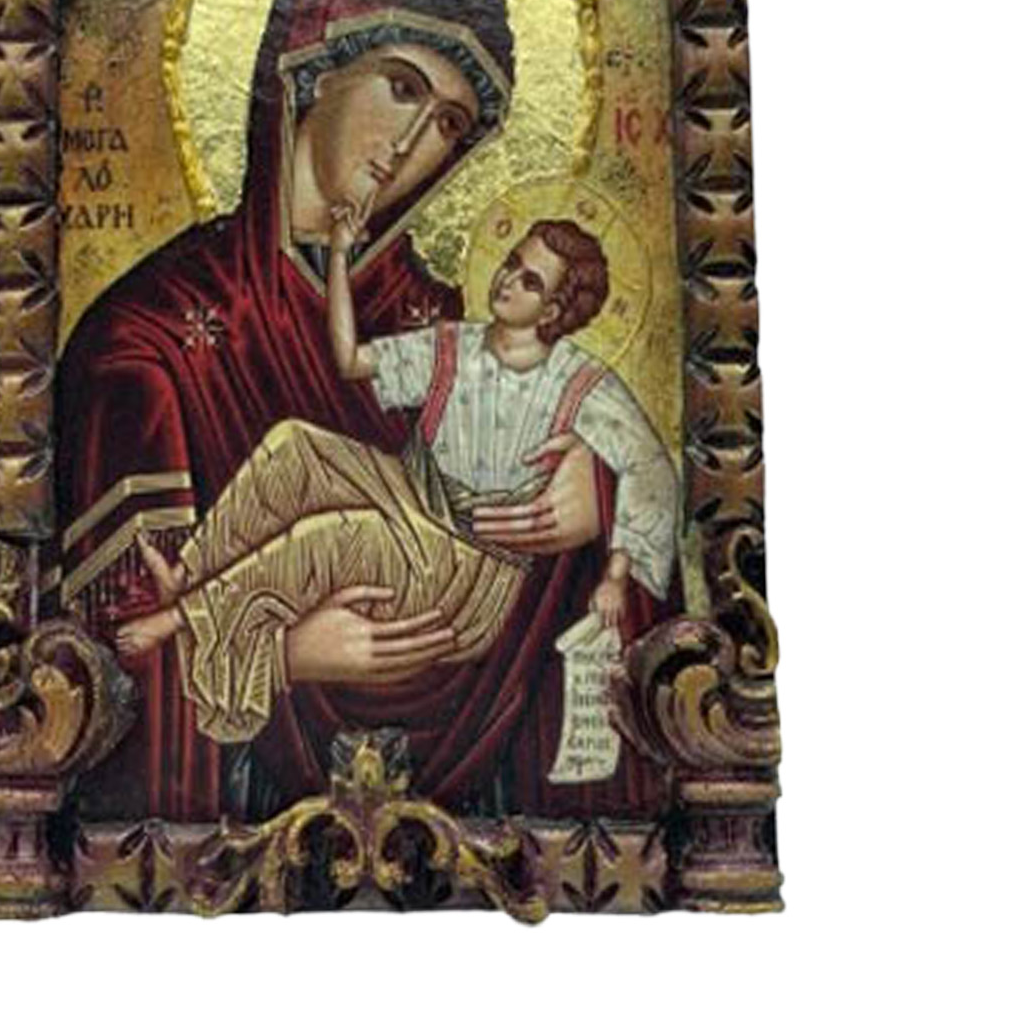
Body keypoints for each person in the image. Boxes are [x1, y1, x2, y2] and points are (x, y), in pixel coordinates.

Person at [55, 0, 666, 823]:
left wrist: (597, 496)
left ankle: (205, 607)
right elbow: (91, 669)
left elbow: (570, 560)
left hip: (465, 712)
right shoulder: (148, 337)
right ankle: (204, 603)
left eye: (449, 122)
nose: (414, 139)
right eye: (401, 86)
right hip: (234, 818)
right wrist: (283, 654)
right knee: (297, 452)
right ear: (310, 74)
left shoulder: (447, 321)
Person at [113, 217, 677, 751]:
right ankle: (189, 577)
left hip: (468, 570)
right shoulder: (454, 345)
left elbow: (651, 466)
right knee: (293, 444)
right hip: (416, 499)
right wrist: (339, 256)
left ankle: (180, 618)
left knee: (333, 534)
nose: (507, 280)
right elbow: (350, 360)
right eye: (511, 263)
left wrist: (615, 574)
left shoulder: (581, 383)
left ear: (553, 308)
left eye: (530, 280)